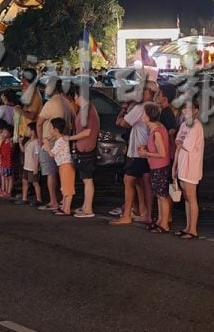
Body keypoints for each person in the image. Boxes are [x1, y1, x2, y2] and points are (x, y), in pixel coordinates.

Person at [110, 86, 155, 226]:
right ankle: (146, 213)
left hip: (137, 151)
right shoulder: (154, 107)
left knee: (128, 181)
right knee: (144, 183)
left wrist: (124, 109)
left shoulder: (140, 108)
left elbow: (123, 123)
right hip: (149, 150)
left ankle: (127, 215)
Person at [36, 79, 74, 212]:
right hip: (64, 142)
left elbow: (39, 123)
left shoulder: (51, 103)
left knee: (50, 173)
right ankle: (63, 200)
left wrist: (41, 140)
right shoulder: (67, 103)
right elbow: (73, 120)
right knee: (61, 173)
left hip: (51, 142)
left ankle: (53, 201)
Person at [66, 86, 99, 218]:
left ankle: (88, 209)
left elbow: (87, 132)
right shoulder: (86, 109)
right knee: (86, 178)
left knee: (87, 179)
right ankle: (86, 206)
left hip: (86, 148)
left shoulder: (88, 110)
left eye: (75, 96)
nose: (74, 98)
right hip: (84, 147)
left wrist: (70, 138)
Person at [138, 103, 172, 232]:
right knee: (159, 194)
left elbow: (162, 153)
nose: (142, 115)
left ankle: (164, 224)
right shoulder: (157, 127)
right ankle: (160, 221)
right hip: (157, 166)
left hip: (160, 166)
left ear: (148, 117)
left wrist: (146, 153)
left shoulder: (156, 131)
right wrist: (146, 148)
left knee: (162, 196)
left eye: (144, 113)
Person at [173, 98, 204, 238]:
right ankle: (188, 226)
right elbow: (178, 142)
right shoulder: (184, 125)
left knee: (191, 197)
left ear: (196, 110)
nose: (185, 110)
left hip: (191, 167)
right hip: (182, 164)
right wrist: (175, 166)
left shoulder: (196, 126)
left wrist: (180, 143)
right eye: (184, 108)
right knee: (186, 197)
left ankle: (193, 229)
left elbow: (186, 144)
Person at [46, 117, 77, 216]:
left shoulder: (60, 140)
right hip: (63, 166)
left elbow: (52, 154)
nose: (50, 130)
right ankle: (64, 207)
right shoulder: (60, 139)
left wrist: (47, 145)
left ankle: (66, 209)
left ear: (55, 130)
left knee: (67, 188)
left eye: (51, 128)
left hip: (65, 165)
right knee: (64, 186)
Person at [14, 122, 43, 206]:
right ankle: (24, 198)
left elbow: (37, 156)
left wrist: (36, 168)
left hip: (32, 167)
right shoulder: (29, 141)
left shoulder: (36, 142)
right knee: (24, 181)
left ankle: (39, 199)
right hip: (26, 166)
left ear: (33, 131)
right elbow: (23, 150)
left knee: (35, 182)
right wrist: (20, 143)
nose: (27, 131)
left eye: (28, 129)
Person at [0, 122, 15, 198]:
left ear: (10, 133)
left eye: (5, 132)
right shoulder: (3, 142)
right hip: (3, 162)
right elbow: (0, 150)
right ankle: (5, 191)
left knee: (10, 177)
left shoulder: (10, 142)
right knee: (6, 177)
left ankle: (9, 192)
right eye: (3, 132)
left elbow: (11, 149)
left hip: (9, 163)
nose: (3, 134)